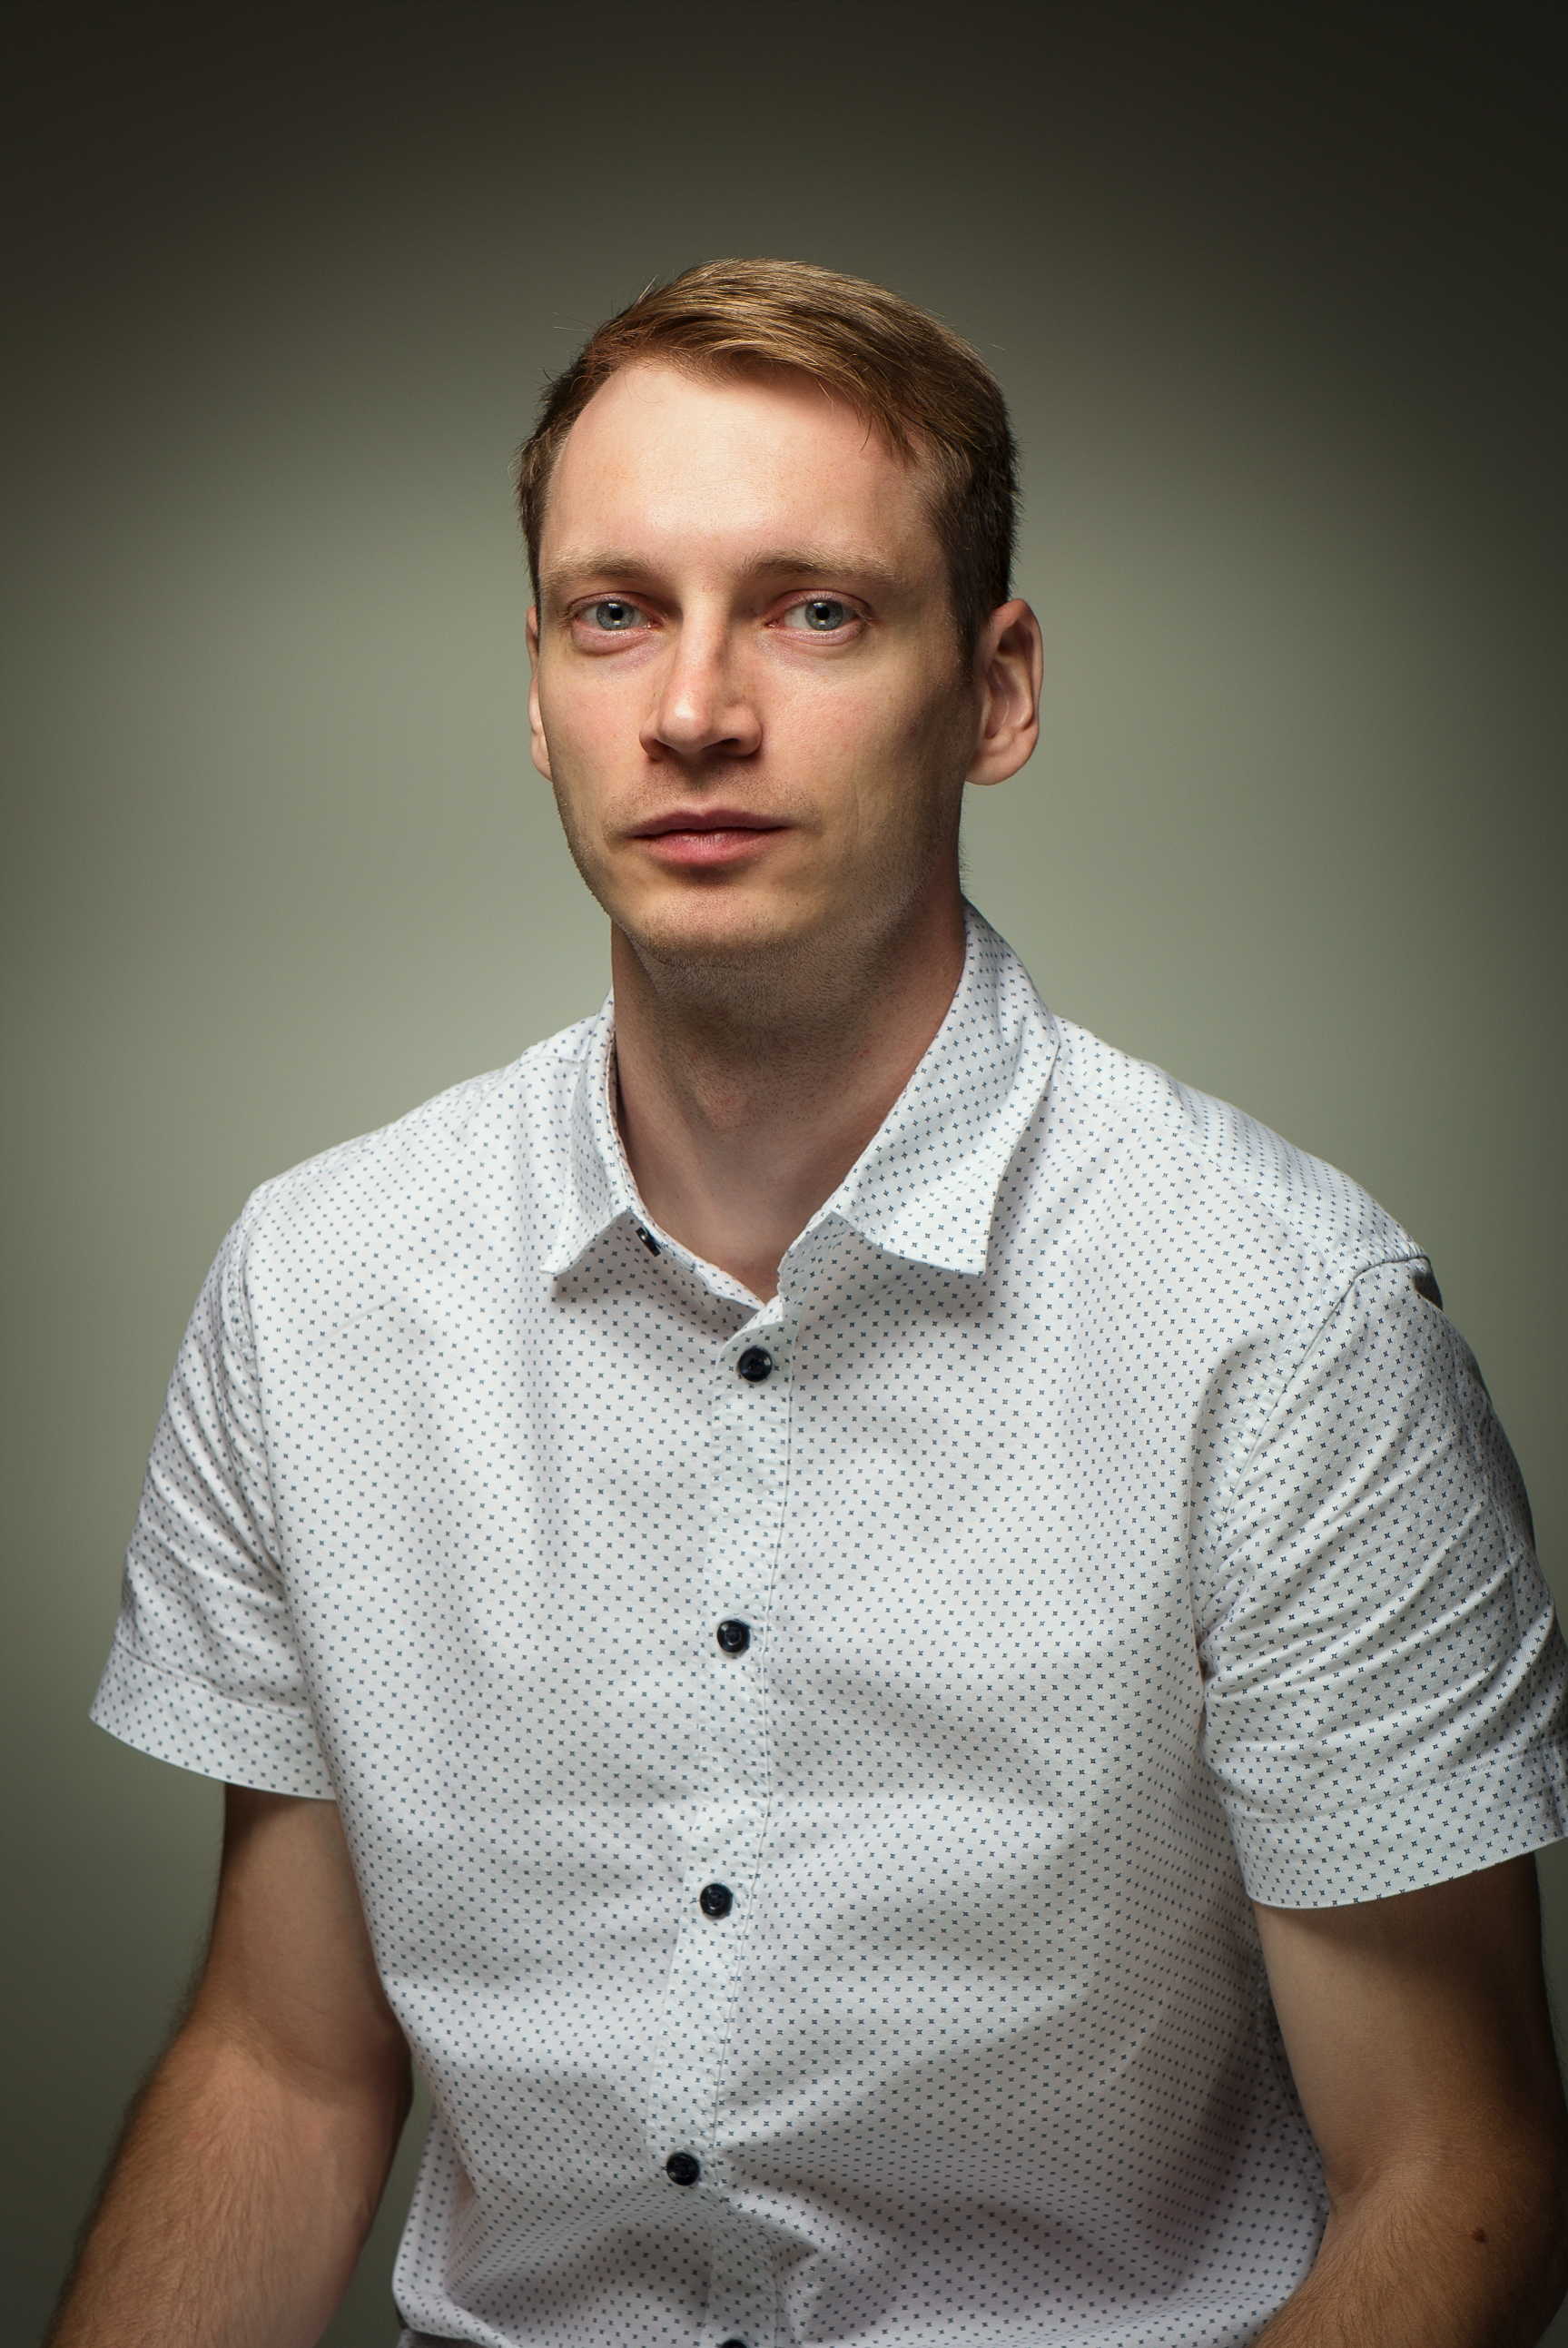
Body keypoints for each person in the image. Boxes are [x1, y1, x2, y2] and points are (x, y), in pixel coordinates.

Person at [52, 259, 1568, 2348]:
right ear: (537, 691)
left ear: (998, 692)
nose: (694, 709)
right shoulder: (315, 1290)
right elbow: (286, 2066)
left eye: (815, 610)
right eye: (616, 612)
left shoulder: (1286, 1330)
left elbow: (1460, 2174)